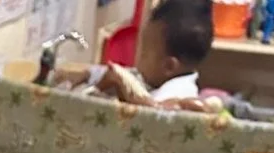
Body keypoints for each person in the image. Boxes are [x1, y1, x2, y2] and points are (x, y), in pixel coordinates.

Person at [54, 0, 215, 107]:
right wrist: (86, 74)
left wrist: (128, 93)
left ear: (168, 66)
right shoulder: (151, 77)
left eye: (144, 52)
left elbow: (154, 118)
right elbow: (113, 73)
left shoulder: (180, 93)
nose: (137, 57)